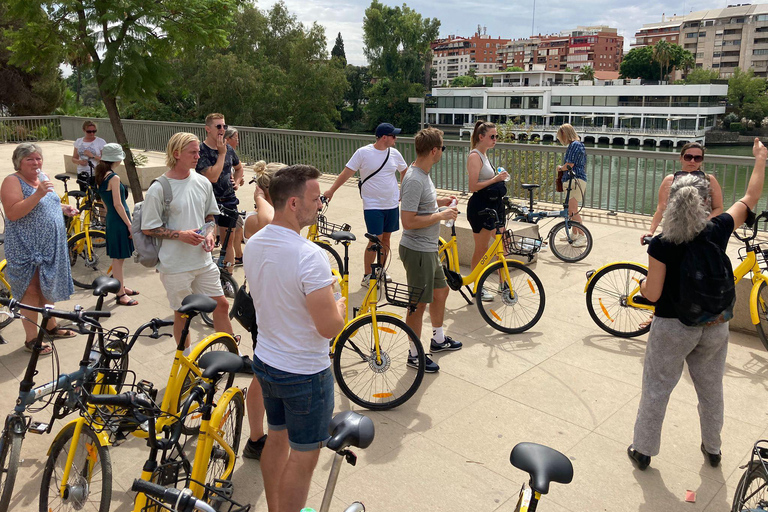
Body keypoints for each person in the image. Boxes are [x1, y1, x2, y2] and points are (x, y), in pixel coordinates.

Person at [627, 137, 767, 472]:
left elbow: (654, 294)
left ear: (671, 205)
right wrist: (760, 159)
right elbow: (750, 198)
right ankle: (713, 448)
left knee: (657, 387)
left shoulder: (661, 245)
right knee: (711, 389)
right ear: (704, 205)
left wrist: (643, 285)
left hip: (674, 326)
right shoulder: (717, 229)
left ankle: (644, 450)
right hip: (715, 323)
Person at [244, 165, 346, 512]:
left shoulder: (254, 243)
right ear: (292, 203)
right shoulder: (310, 256)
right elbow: (329, 327)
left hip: (268, 363)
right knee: (303, 460)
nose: (320, 204)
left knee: (276, 438)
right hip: (304, 374)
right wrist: (340, 306)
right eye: (315, 199)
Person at [141, 132, 237, 356]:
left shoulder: (202, 182)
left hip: (203, 261)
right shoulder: (159, 188)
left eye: (198, 151)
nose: (198, 156)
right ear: (176, 154)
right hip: (175, 265)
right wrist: (180, 235)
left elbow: (210, 217)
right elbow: (148, 227)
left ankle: (232, 356)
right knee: (183, 314)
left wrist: (210, 233)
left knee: (221, 305)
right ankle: (186, 365)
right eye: (192, 152)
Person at [1, 143, 79, 354]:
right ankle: (31, 338)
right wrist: (38, 194)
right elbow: (13, 213)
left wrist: (64, 208)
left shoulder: (41, 178)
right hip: (27, 248)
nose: (36, 163)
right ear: (19, 162)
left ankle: (51, 326)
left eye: (38, 158)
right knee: (32, 290)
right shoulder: (12, 181)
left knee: (48, 286)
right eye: (30, 160)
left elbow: (48, 203)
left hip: (50, 247)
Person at [399, 128, 462, 373]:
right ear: (434, 150)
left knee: (441, 292)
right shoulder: (415, 178)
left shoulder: (423, 173)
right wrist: (441, 215)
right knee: (417, 305)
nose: (442, 153)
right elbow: (408, 221)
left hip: (428, 249)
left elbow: (422, 204)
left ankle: (438, 338)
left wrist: (440, 202)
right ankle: (414, 354)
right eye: (442, 148)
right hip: (417, 251)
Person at [323, 122, 408, 286]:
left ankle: (381, 270)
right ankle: (367, 275)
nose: (396, 139)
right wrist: (331, 190)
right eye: (393, 136)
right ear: (384, 137)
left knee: (387, 239)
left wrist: (402, 192)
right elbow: (347, 172)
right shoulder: (363, 153)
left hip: (391, 203)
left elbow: (404, 171)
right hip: (372, 204)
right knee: (375, 238)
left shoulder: (395, 154)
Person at [239, 162, 284, 462]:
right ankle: (256, 438)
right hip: (262, 308)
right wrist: (259, 196)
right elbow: (268, 222)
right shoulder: (257, 219)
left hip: (272, 304)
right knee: (261, 373)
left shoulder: (279, 218)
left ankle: (262, 434)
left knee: (265, 371)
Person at [643, 141, 724, 242]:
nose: (692, 161)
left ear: (701, 161)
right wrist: (651, 231)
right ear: (681, 158)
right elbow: (661, 208)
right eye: (688, 157)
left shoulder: (709, 180)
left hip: (703, 231)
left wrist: (706, 222)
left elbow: (718, 207)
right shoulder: (670, 180)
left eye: (697, 158)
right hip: (675, 230)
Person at [195, 114, 244, 270]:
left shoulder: (228, 148)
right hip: (207, 203)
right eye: (218, 126)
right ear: (208, 129)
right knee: (205, 241)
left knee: (228, 241)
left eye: (224, 126)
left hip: (228, 201)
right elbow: (213, 177)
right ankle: (207, 276)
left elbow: (239, 167)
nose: (222, 129)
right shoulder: (201, 151)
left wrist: (236, 182)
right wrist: (221, 154)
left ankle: (228, 276)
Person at [466, 120, 509, 302]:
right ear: (481, 137)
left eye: (496, 136)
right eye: (492, 136)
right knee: (482, 249)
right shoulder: (474, 156)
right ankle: (478, 286)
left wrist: (498, 177)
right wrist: (495, 179)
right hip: (480, 208)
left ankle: (503, 284)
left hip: (493, 207)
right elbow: (473, 186)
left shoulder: (484, 155)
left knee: (503, 244)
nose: (495, 139)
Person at [94, 143, 138, 306]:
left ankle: (120, 285)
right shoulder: (114, 177)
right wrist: (128, 224)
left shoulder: (100, 176)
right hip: (120, 219)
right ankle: (120, 294)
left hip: (112, 218)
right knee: (119, 259)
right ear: (116, 159)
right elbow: (118, 204)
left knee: (117, 258)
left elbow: (106, 204)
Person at [556, 124, 588, 248]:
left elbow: (569, 165)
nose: (560, 140)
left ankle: (582, 236)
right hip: (573, 180)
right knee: (571, 210)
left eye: (560, 136)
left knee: (573, 210)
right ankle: (574, 234)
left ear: (564, 134)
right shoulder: (575, 145)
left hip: (575, 180)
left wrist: (560, 168)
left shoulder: (575, 145)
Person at [224, 127, 245, 264]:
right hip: (223, 200)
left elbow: (239, 170)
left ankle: (238, 256)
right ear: (227, 139)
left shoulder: (231, 154)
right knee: (236, 228)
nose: (237, 142)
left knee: (238, 227)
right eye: (236, 139)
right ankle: (236, 257)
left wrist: (237, 182)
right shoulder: (221, 154)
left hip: (230, 198)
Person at [71, 120, 106, 186]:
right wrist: (79, 162)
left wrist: (92, 156)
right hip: (82, 173)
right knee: (84, 194)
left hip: (95, 173)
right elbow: (74, 158)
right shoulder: (78, 141)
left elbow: (105, 160)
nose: (92, 133)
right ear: (84, 130)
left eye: (94, 131)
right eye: (89, 131)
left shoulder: (100, 142)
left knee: (94, 195)